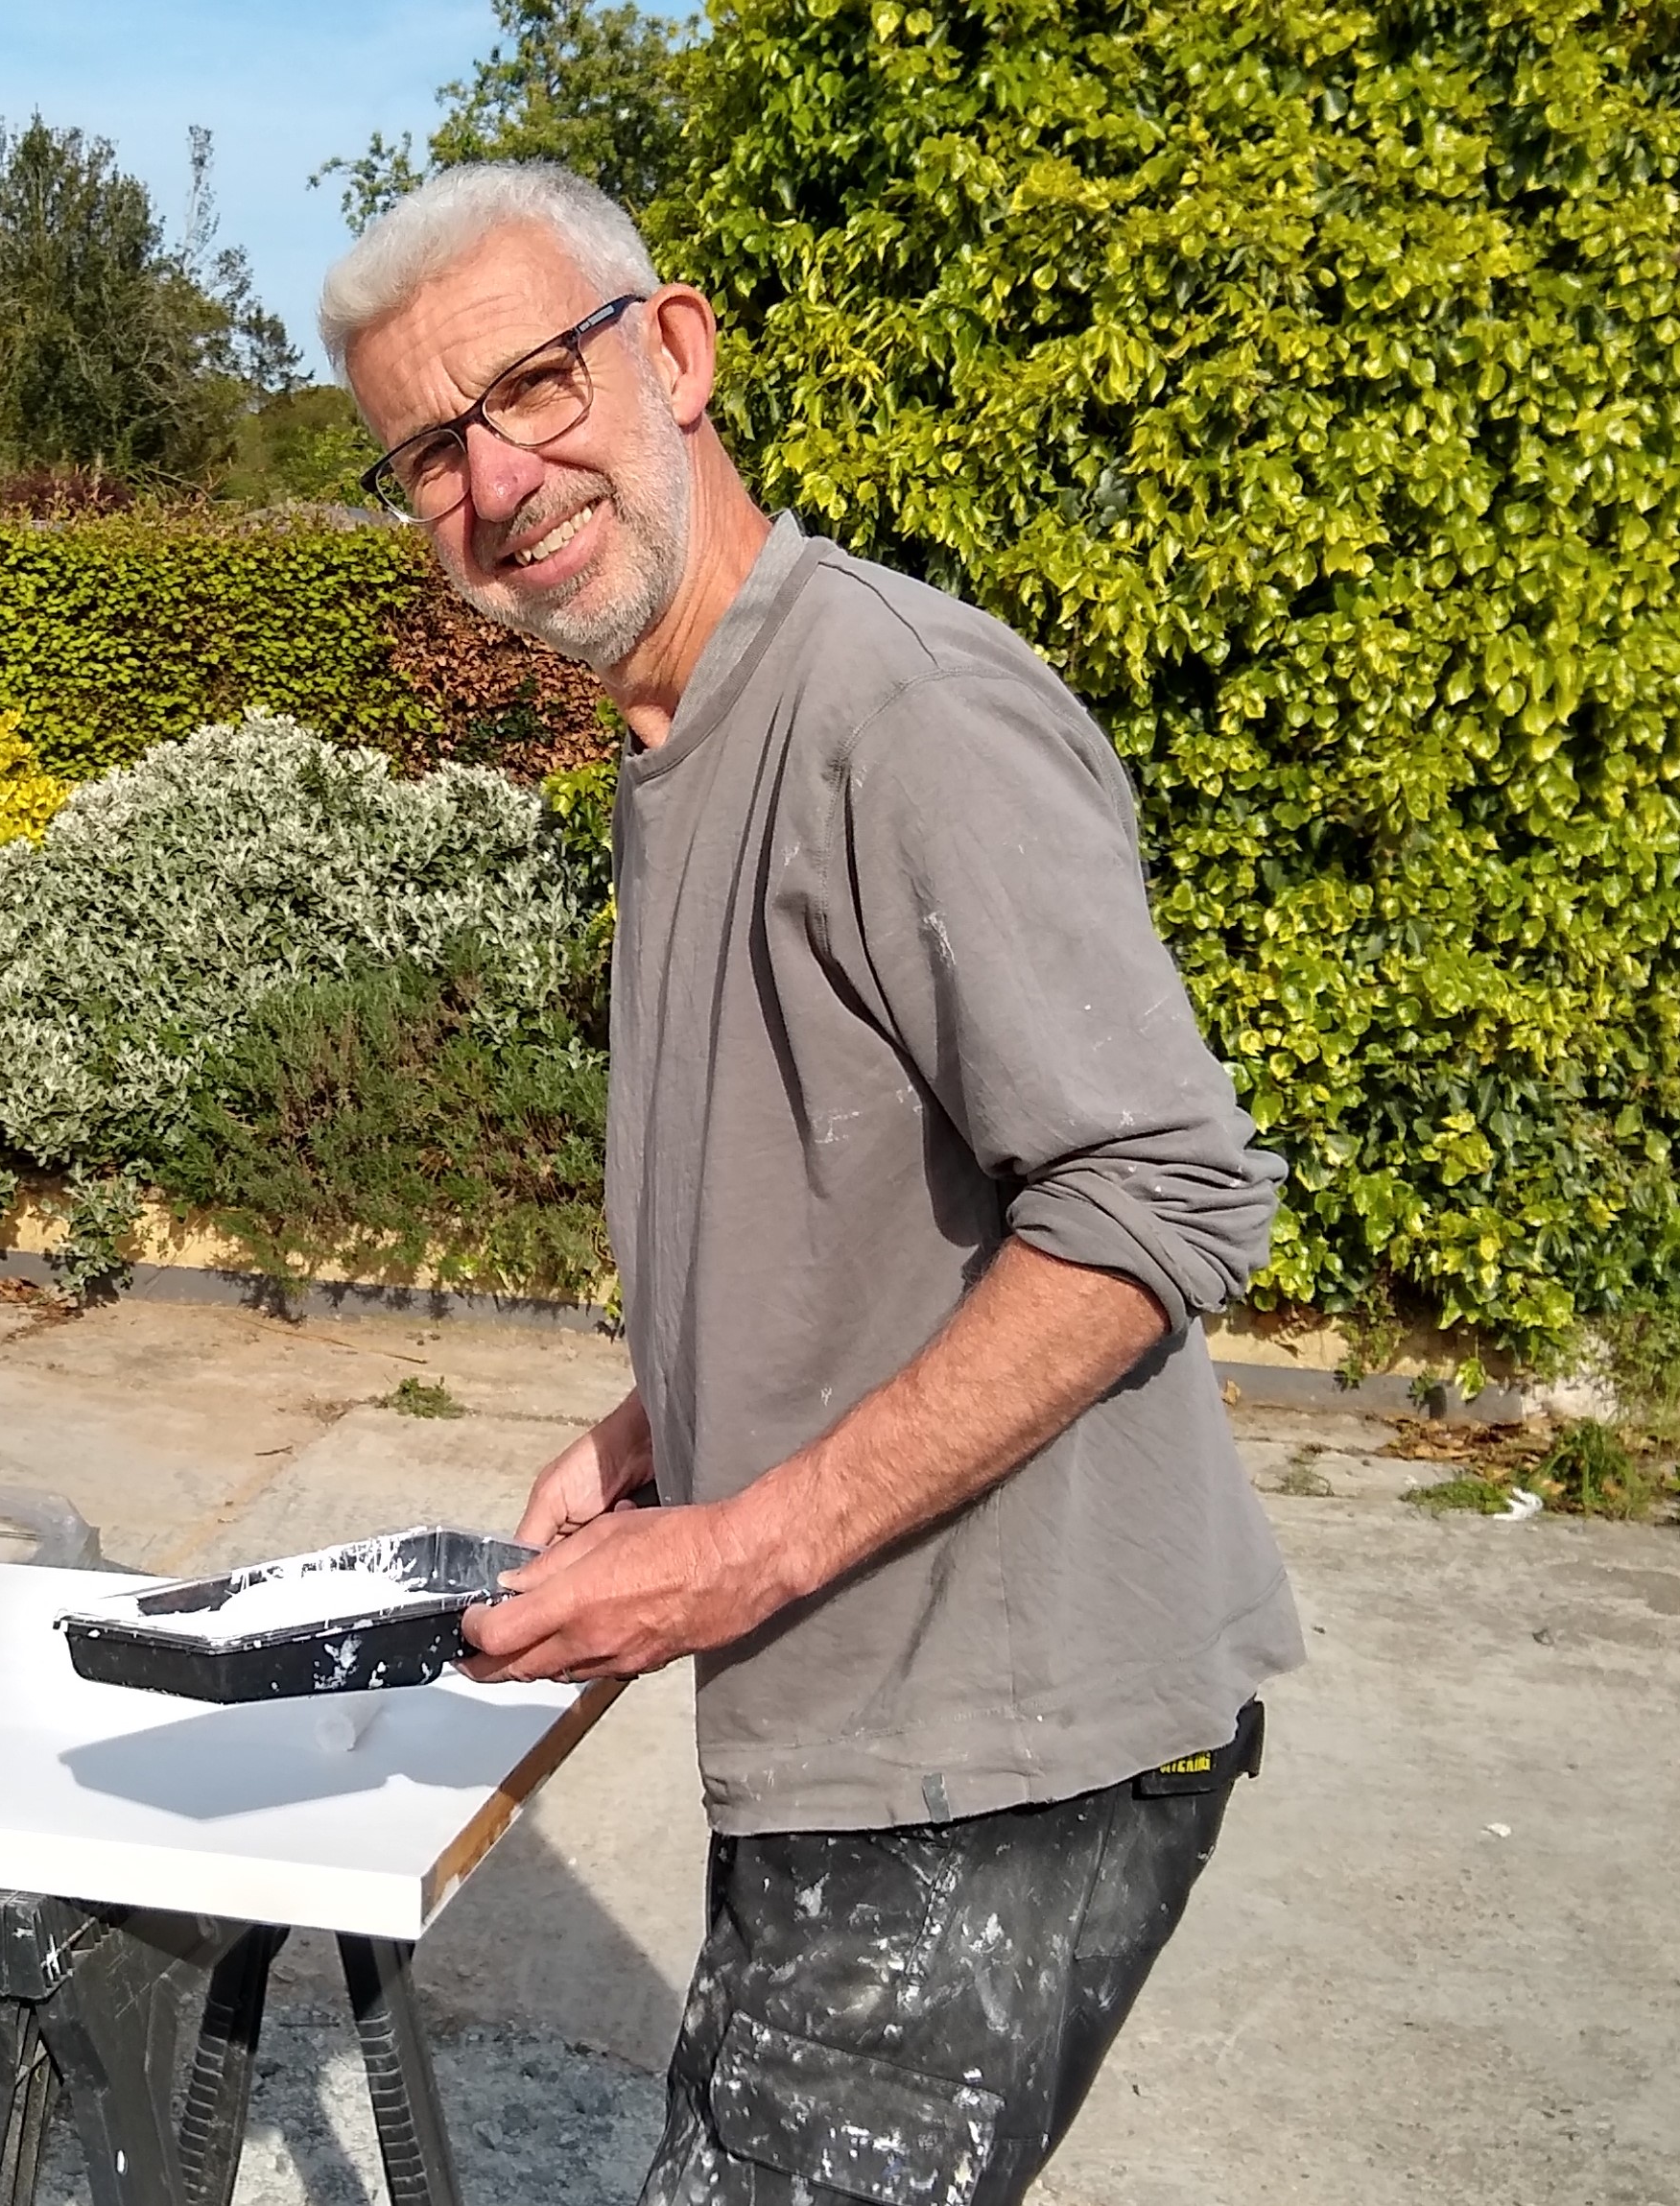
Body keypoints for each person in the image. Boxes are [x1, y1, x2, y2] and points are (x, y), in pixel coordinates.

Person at [319, 163, 1304, 2206]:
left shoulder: (895, 709)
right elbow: (871, 1186)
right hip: (885, 1722)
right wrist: (666, 1425)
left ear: (671, 352)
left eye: (531, 386)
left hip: (1003, 1747)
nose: (499, 479)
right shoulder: (682, 728)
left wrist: (739, 1552)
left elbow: (1158, 1198)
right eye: (431, 448)